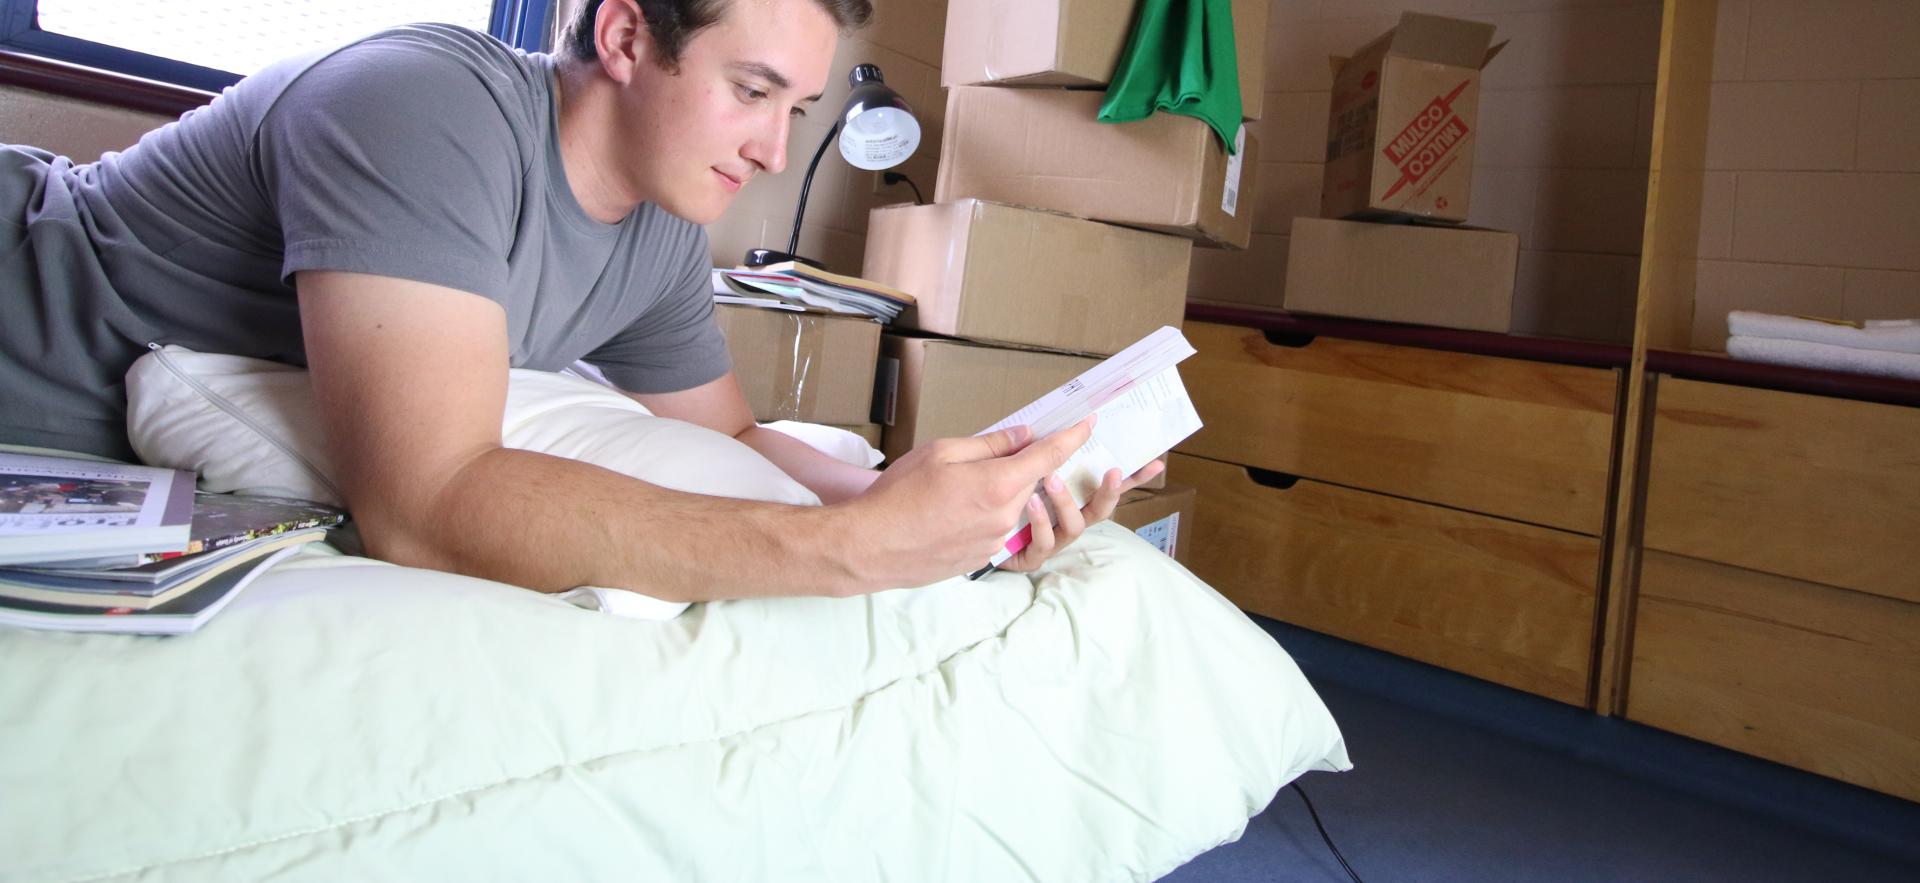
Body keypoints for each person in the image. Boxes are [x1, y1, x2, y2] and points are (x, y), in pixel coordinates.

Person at [0, 0, 1163, 600]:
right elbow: (426, 500)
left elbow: (736, 433)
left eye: (794, 112)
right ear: (622, 36)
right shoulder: (424, 106)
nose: (770, 150)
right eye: (750, 91)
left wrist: (906, 496)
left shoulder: (658, 230)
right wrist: (849, 551)